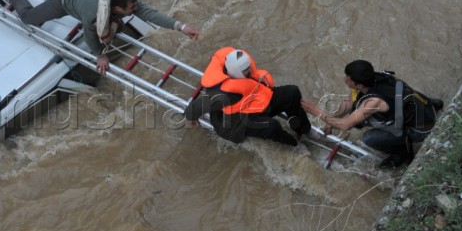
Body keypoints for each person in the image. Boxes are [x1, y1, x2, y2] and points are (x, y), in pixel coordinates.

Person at [0, 0, 200, 74]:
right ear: (119, 9)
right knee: (30, 18)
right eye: (131, 8)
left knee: (116, 27)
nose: (136, 8)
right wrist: (100, 56)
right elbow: (89, 34)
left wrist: (180, 27)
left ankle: (116, 25)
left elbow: (149, 14)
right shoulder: (94, 15)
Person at [300, 60, 443, 169]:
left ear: (359, 85)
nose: (345, 79)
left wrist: (317, 112)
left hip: (421, 128)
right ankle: (433, 105)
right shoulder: (375, 77)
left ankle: (402, 153)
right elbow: (349, 103)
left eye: (348, 78)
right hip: (422, 106)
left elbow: (346, 125)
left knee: (368, 138)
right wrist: (329, 122)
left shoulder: (373, 102)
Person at [184, 47, 311, 146]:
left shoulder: (239, 67)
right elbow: (193, 109)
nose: (250, 71)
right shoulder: (223, 95)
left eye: (248, 67)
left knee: (292, 92)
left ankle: (302, 130)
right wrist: (191, 119)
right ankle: (294, 144)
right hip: (239, 120)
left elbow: (250, 80)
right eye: (246, 70)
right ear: (236, 72)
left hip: (254, 100)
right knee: (272, 126)